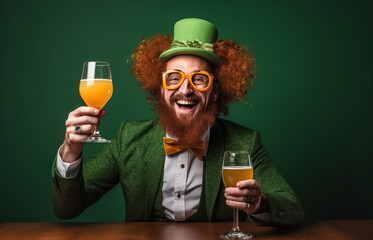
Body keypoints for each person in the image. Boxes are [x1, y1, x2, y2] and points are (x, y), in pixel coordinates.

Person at [52, 18, 305, 226]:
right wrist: (71, 150)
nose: (185, 90)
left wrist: (259, 203)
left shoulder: (245, 143)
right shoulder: (128, 138)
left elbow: (293, 209)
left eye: (199, 79)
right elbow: (67, 208)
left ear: (215, 92)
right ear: (161, 88)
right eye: (174, 78)